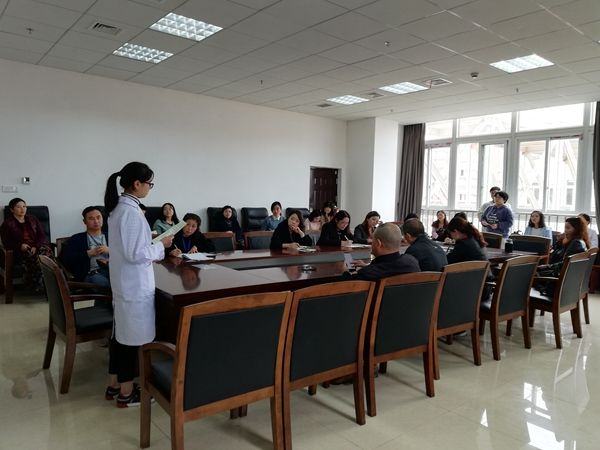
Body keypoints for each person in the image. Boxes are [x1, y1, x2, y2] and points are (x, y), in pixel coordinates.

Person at [103, 162, 173, 408]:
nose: (149, 189)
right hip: (133, 287)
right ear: (137, 184)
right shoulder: (131, 213)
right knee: (131, 341)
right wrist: (161, 245)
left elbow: (130, 248)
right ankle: (127, 392)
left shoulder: (120, 208)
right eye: (149, 184)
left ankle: (114, 384)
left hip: (126, 284)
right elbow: (135, 254)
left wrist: (151, 242)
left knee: (121, 336)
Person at [0, 197, 53, 291]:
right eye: (18, 207)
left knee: (43, 252)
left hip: (37, 247)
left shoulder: (33, 219)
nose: (22, 209)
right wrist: (20, 246)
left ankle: (37, 283)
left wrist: (35, 246)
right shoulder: (7, 224)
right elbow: (6, 242)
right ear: (12, 210)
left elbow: (42, 236)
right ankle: (47, 285)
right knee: (41, 257)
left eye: (24, 206)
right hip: (19, 251)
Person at [536, 217, 589, 296]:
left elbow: (562, 264)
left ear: (577, 229)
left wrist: (544, 267)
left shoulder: (575, 244)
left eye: (568, 228)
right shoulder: (580, 241)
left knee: (530, 275)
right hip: (569, 281)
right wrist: (559, 242)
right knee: (535, 271)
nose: (565, 231)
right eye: (565, 228)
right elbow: (558, 259)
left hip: (560, 283)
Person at [60, 206, 110, 288]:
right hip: (91, 274)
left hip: (112, 271)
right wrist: (87, 254)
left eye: (98, 217)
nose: (96, 221)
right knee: (105, 284)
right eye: (91, 218)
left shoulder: (111, 236)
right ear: (84, 221)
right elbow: (67, 260)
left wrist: (110, 250)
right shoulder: (77, 239)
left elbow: (125, 254)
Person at [351, 223, 420, 280]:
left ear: (379, 243)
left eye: (373, 241)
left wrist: (346, 272)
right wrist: (367, 266)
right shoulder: (412, 262)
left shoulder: (368, 273)